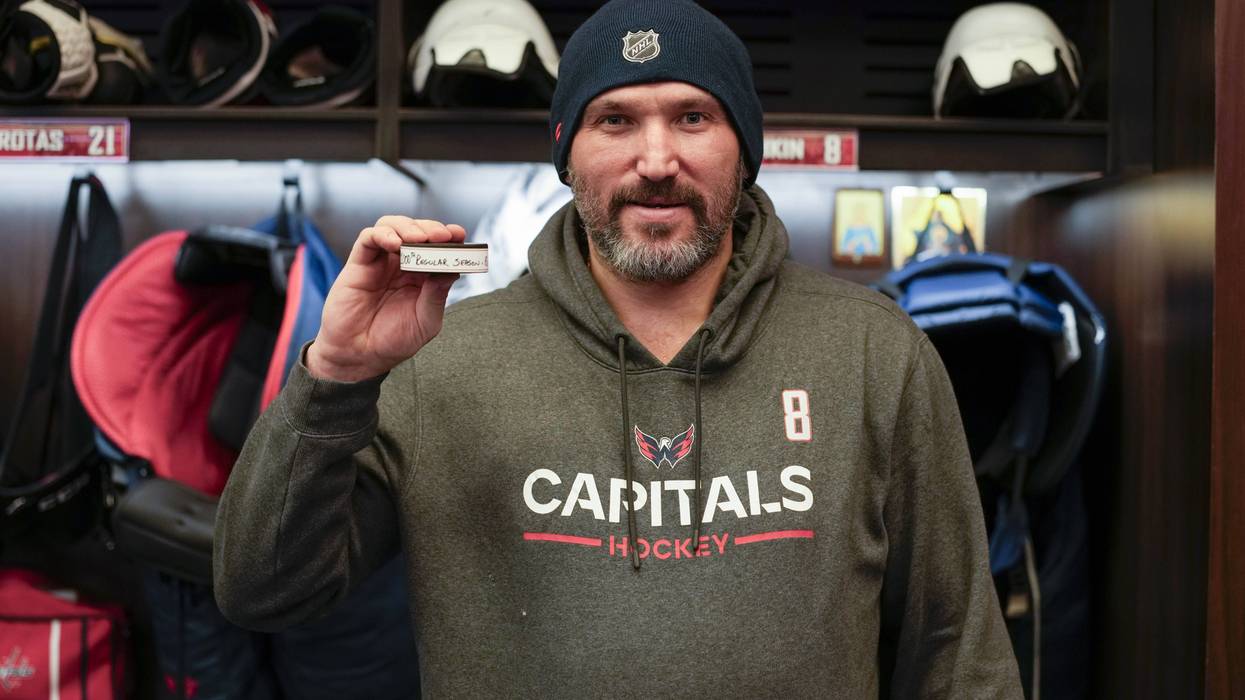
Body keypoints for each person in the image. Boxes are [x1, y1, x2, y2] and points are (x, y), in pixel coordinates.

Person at [213, 0, 1023, 696]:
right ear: (567, 155)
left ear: (743, 149)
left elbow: (958, 649)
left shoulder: (873, 353)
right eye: (615, 121)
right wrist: (336, 377)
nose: (656, 161)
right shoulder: (441, 361)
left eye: (693, 118)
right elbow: (264, 590)